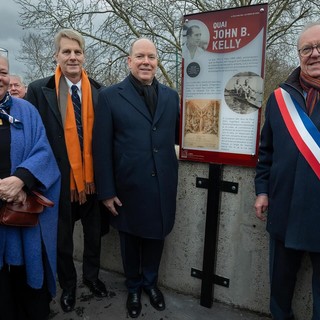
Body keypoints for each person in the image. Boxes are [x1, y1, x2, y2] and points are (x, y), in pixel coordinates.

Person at [93, 38, 180, 318]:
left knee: (157, 238)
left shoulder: (171, 96)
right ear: (129, 61)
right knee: (129, 240)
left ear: (157, 62)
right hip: (127, 187)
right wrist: (106, 191)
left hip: (161, 185)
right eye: (140, 56)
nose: (146, 61)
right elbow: (101, 147)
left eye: (151, 57)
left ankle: (150, 284)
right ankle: (132, 287)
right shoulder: (109, 96)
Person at [26, 29, 108, 313]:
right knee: (62, 239)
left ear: (84, 55)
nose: (72, 57)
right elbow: (32, 137)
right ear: (56, 56)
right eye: (66, 52)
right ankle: (69, 285)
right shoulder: (39, 90)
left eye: (77, 51)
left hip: (92, 181)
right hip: (58, 181)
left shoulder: (100, 91)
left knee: (94, 234)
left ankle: (92, 277)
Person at [254, 22, 320, 320]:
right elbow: (266, 151)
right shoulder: (279, 98)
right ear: (299, 54)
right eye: (307, 48)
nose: (314, 54)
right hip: (284, 211)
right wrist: (262, 190)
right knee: (279, 290)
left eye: (319, 47)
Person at [0, 55, 60, 319]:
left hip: (20, 206)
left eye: (2, 72)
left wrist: (22, 178)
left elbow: (44, 151)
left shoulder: (26, 111)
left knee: (26, 264)